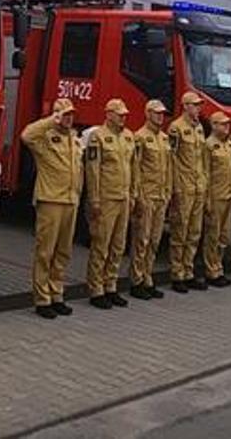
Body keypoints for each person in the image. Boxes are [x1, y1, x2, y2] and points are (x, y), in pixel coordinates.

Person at [22, 98, 82, 319]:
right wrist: (50, 120)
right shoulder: (45, 139)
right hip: (50, 201)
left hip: (70, 201)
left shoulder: (74, 140)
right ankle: (42, 298)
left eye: (70, 114)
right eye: (64, 114)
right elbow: (26, 135)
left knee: (63, 252)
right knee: (45, 252)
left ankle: (57, 293)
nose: (69, 118)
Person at [82, 98, 136, 310]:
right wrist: (94, 199)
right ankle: (96, 289)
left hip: (123, 197)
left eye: (125, 114)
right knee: (101, 245)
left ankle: (110, 285)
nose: (124, 117)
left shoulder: (129, 137)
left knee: (118, 245)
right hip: (106, 198)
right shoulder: (98, 137)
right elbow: (93, 171)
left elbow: (134, 169)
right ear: (109, 114)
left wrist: (133, 194)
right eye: (120, 114)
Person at [128, 99, 174, 300]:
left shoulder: (164, 139)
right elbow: (135, 168)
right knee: (142, 239)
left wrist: (169, 191)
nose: (160, 117)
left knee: (155, 240)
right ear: (147, 114)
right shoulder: (139, 138)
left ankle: (148, 277)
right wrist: (137, 195)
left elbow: (169, 168)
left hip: (161, 195)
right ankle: (136, 280)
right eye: (156, 113)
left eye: (162, 113)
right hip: (146, 195)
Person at [165, 92, 209, 293]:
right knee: (180, 230)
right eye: (195, 105)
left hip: (198, 186)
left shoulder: (199, 128)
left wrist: (204, 182)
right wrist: (173, 186)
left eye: (199, 105)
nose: (198, 109)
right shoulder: (176, 128)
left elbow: (203, 159)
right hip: (183, 186)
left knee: (194, 231)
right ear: (185, 106)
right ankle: (177, 273)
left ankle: (188, 270)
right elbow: (171, 159)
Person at [201, 111, 231, 288]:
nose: (227, 127)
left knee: (224, 235)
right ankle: (211, 270)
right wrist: (207, 198)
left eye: (228, 124)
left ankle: (219, 267)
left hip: (229, 195)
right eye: (223, 124)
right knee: (213, 234)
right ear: (214, 125)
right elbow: (205, 173)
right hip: (216, 196)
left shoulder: (230, 145)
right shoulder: (208, 145)